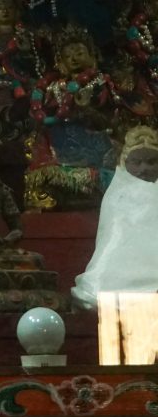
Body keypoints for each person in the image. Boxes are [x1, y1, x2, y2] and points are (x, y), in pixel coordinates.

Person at [72, 126, 158, 309]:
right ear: (124, 163)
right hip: (119, 270)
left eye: (152, 162)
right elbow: (114, 238)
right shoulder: (117, 196)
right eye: (137, 162)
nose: (144, 169)